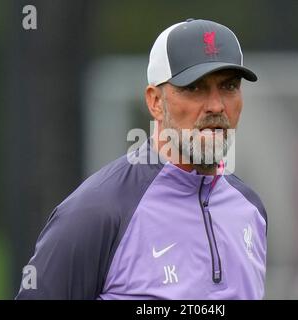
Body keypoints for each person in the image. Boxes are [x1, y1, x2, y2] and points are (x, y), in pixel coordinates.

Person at [16, 18, 268, 300]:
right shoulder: (98, 211)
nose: (216, 105)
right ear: (155, 102)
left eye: (229, 86)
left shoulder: (251, 208)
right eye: (194, 87)